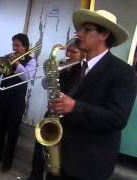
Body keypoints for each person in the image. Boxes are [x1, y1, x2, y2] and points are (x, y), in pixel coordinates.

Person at [47, 9, 137, 180]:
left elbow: (118, 118)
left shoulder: (123, 72)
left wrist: (75, 107)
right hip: (61, 156)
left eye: (86, 29)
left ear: (104, 34)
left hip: (90, 165)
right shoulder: (71, 69)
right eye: (80, 29)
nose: (79, 33)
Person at [26, 39, 85, 180]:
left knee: (59, 155)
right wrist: (50, 75)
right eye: (68, 51)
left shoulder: (84, 72)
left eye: (74, 52)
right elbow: (45, 85)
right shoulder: (62, 66)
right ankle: (35, 175)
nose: (69, 54)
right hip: (52, 114)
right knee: (40, 146)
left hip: (68, 117)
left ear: (83, 54)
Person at [0, 33, 37, 172]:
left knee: (12, 132)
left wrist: (17, 63)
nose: (15, 48)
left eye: (18, 45)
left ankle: (7, 162)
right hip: (3, 96)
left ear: (25, 47)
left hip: (17, 100)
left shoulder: (31, 61)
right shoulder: (7, 57)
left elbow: (27, 77)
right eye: (13, 45)